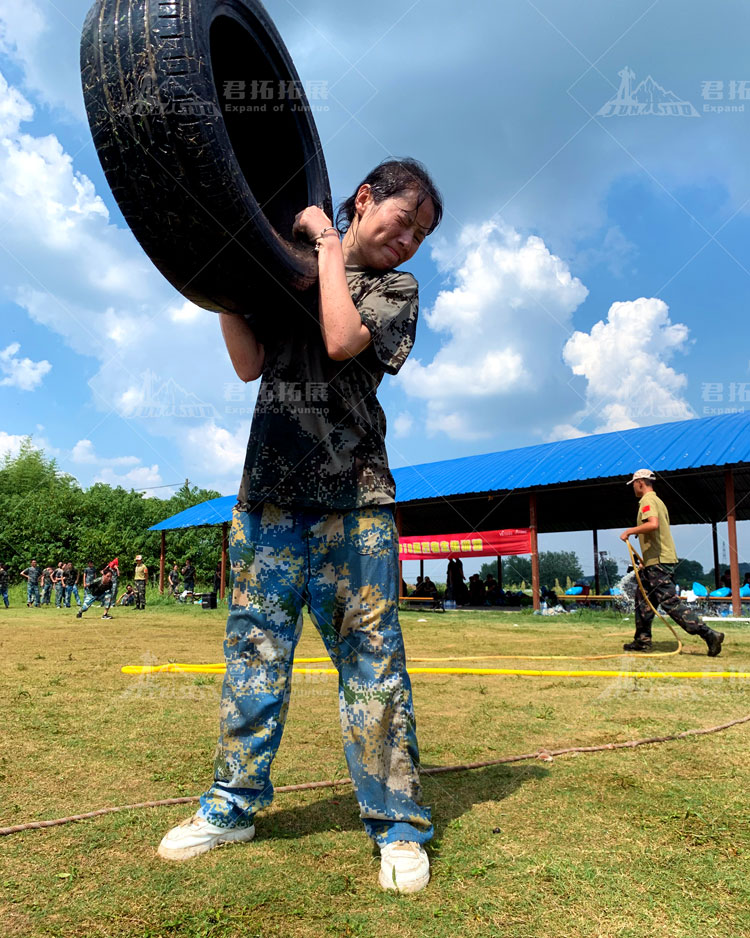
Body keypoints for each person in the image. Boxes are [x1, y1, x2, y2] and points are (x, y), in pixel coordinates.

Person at [158, 158, 442, 894]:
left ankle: (399, 826)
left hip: (356, 503)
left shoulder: (393, 290)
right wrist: (220, 280)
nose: (409, 241)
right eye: (404, 220)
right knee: (253, 656)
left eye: (421, 235)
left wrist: (325, 245)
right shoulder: (286, 269)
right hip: (269, 500)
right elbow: (249, 365)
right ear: (365, 198)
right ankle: (232, 806)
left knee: (372, 665)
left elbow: (344, 341)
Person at [620, 469, 724, 656]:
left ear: (640, 483)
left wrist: (630, 531)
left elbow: (653, 524)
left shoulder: (648, 500)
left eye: (634, 484)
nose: (633, 488)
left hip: (659, 561)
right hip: (654, 561)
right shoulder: (657, 500)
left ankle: (708, 634)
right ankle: (642, 640)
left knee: (670, 603)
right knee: (642, 600)